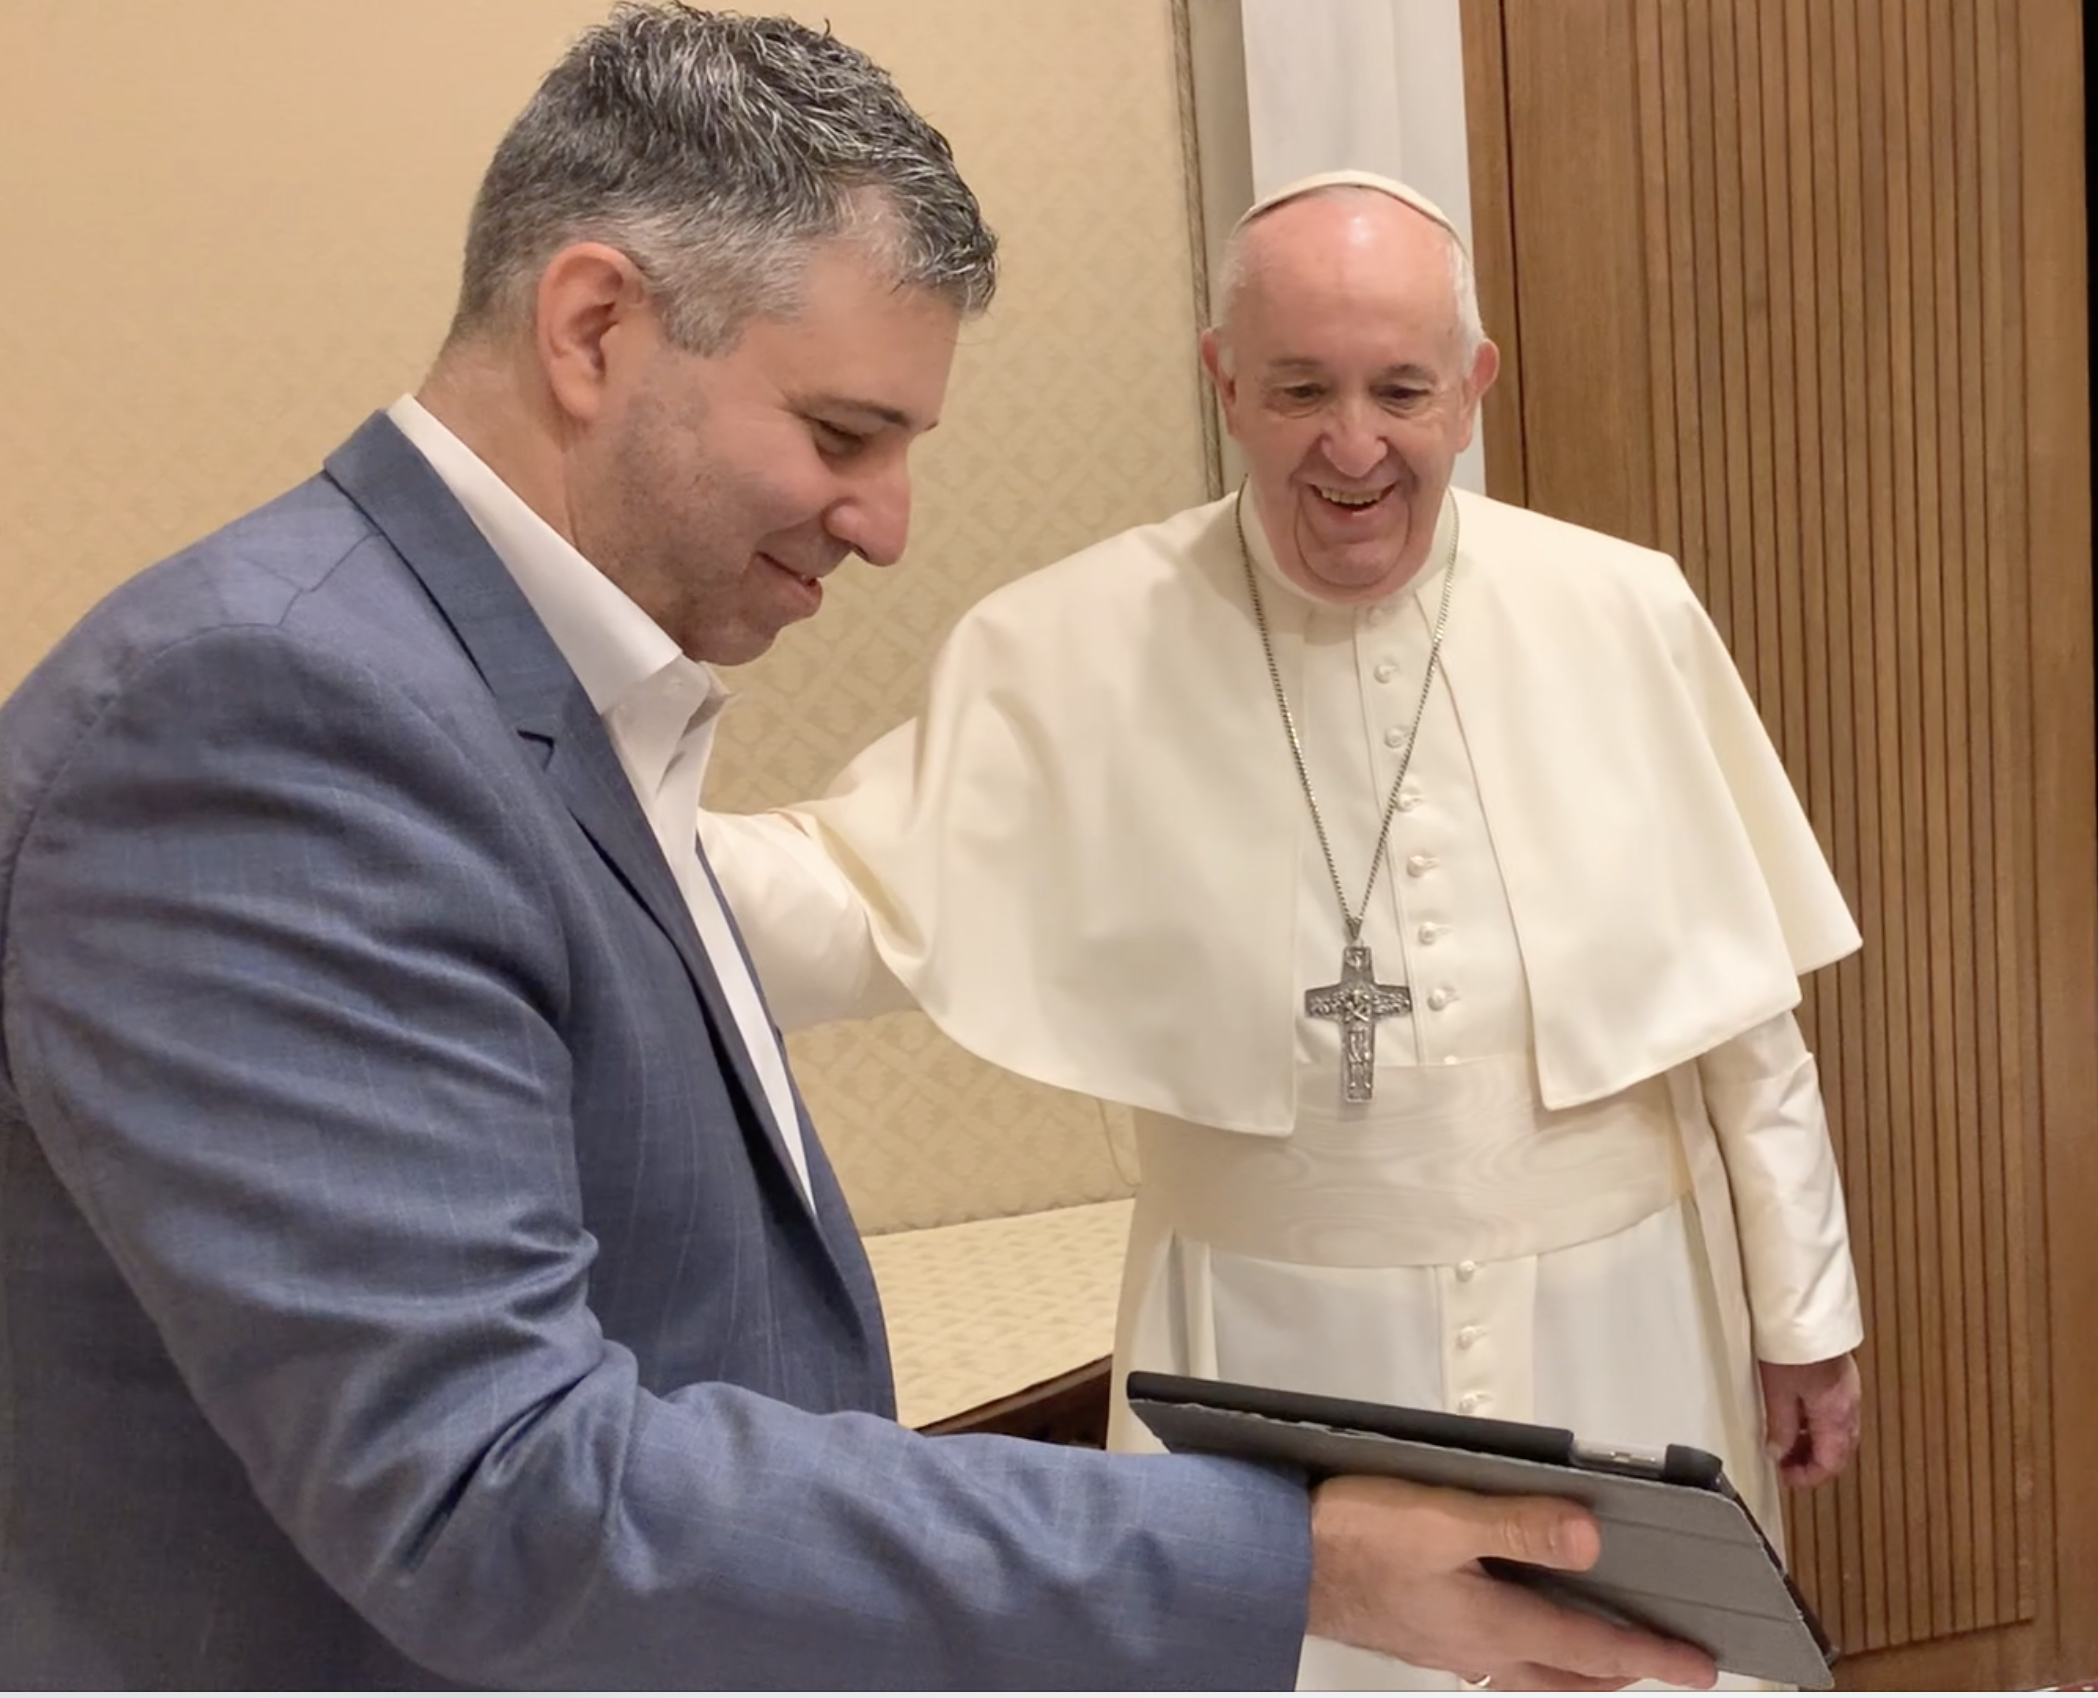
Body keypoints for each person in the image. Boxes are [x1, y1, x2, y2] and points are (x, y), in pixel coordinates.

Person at [0, 10, 1724, 1692]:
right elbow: (496, 1492)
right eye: (841, 434)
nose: (887, 525)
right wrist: (1287, 1561)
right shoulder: (275, 713)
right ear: (593, 326)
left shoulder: (516, 693)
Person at [700, 169, 1868, 1690]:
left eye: (1401, 388)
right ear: (1224, 383)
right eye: (1301, 387)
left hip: (1621, 1319)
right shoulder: (1067, 640)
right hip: (1264, 1358)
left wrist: (1803, 1311)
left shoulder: (1621, 609)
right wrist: (558, 830)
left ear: (1471, 388)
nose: (1354, 444)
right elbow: (858, 901)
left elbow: (1738, 1011)